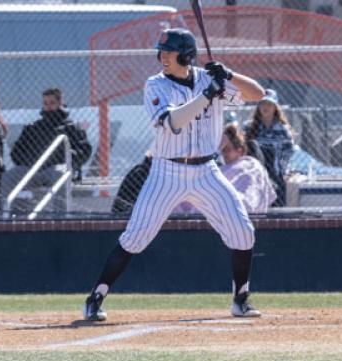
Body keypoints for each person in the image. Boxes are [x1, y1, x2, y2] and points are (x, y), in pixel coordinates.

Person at [82, 28, 265, 321]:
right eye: (162, 52)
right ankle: (95, 297)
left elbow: (258, 94)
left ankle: (240, 299)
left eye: (170, 53)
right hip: (167, 170)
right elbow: (173, 121)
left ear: (186, 55)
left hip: (207, 170)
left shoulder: (210, 78)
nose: (163, 57)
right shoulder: (155, 85)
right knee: (136, 237)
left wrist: (228, 75)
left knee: (243, 231)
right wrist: (207, 95)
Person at [0, 87, 92, 211]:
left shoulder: (71, 128)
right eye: (45, 103)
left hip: (55, 170)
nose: (48, 106)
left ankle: (60, 216)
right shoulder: (33, 128)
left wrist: (64, 159)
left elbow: (84, 150)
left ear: (60, 103)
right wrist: (31, 161)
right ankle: (12, 215)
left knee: (60, 173)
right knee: (9, 177)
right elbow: (16, 152)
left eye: (52, 103)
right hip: (32, 169)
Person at [174, 123, 276, 215]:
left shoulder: (249, 166)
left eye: (228, 150)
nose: (224, 153)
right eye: (223, 150)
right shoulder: (221, 168)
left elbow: (247, 193)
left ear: (240, 151)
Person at [243, 89, 295, 207]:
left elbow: (289, 150)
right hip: (254, 175)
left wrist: (282, 168)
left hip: (276, 175)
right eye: (262, 103)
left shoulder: (282, 129)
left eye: (269, 104)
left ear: (275, 107)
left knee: (278, 209)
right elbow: (244, 149)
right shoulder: (249, 127)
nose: (265, 107)